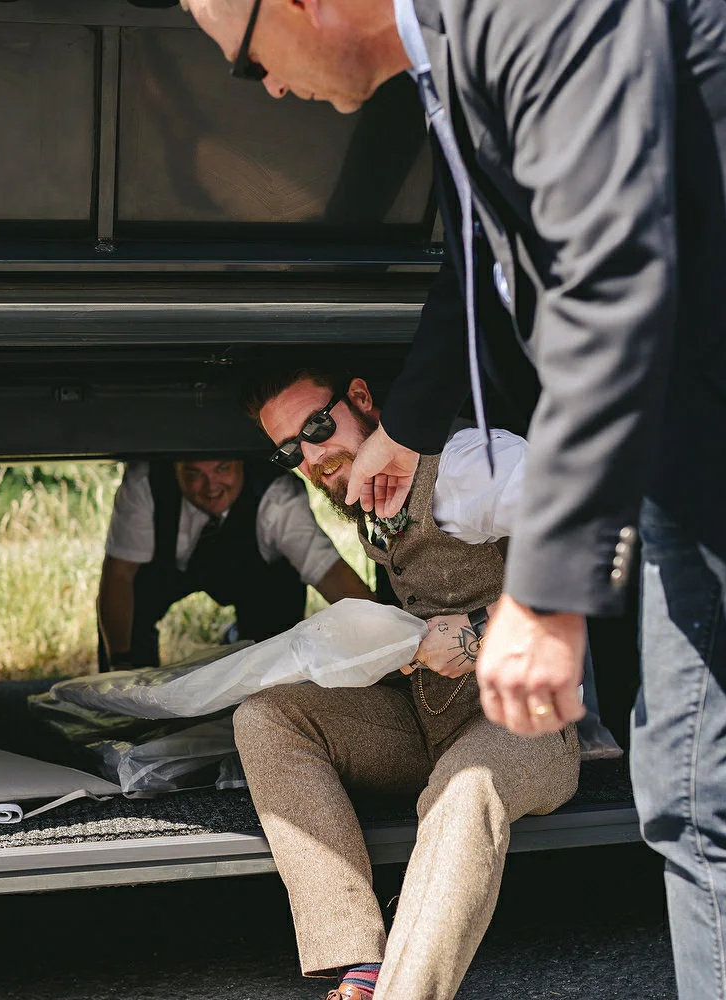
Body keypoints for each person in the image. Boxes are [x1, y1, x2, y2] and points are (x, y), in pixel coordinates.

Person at [182, 0, 726, 997]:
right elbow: (479, 272)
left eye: (244, 60)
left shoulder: (527, 10)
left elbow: (610, 289)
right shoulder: (449, 60)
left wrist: (542, 596)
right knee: (691, 799)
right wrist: (402, 429)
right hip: (690, 443)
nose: (265, 86)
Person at [234, 367, 613, 1000]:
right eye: (289, 450)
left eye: (319, 427)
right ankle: (356, 956)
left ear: (362, 400)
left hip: (527, 722)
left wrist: (478, 631)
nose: (313, 456)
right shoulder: (367, 486)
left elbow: (589, 526)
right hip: (427, 718)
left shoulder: (465, 464)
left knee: (464, 790)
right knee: (267, 715)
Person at [98, 457, 371, 668]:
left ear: (240, 463)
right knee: (135, 596)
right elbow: (119, 574)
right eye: (194, 474)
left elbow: (326, 568)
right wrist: (120, 663)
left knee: (282, 588)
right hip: (166, 569)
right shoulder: (145, 482)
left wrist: (384, 632)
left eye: (222, 469)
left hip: (252, 576)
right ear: (175, 469)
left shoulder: (275, 494)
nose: (211, 486)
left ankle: (247, 653)